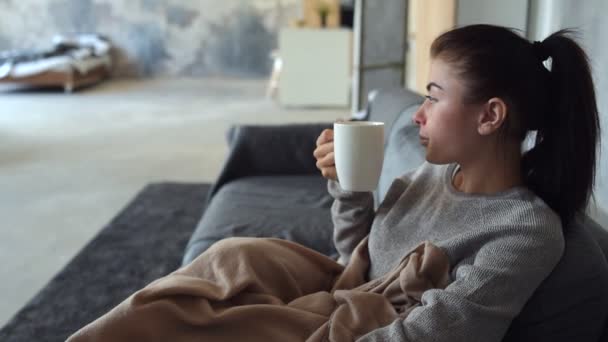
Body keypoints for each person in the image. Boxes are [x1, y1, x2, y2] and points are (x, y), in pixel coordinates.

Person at [313, 24, 600, 341]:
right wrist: (349, 185)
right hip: (333, 305)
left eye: (433, 98)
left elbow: (428, 334)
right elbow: (356, 262)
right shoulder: (432, 174)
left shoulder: (526, 231)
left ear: (489, 116)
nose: (417, 116)